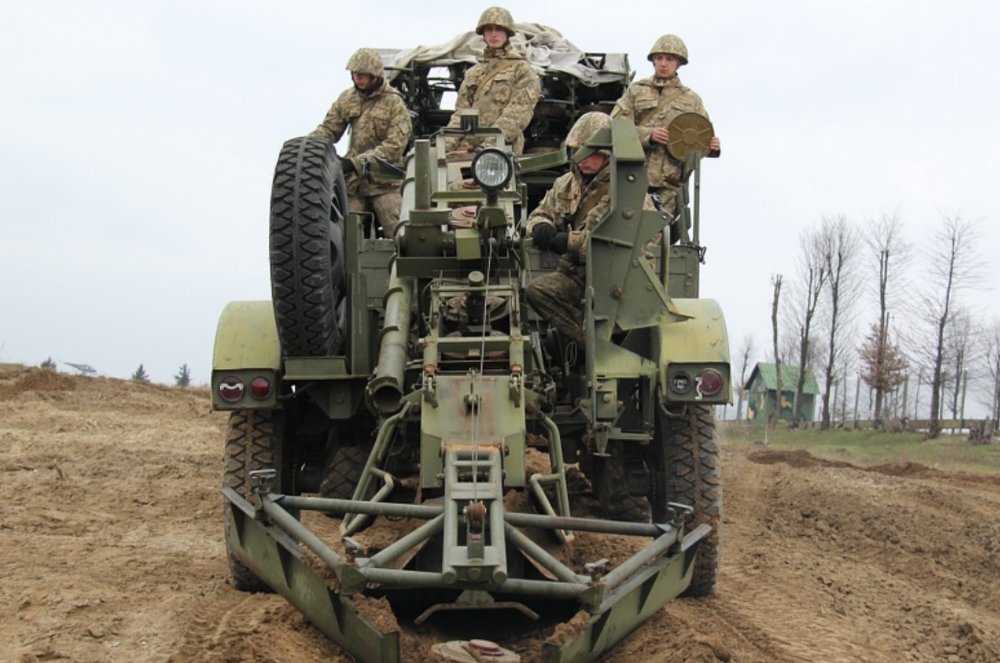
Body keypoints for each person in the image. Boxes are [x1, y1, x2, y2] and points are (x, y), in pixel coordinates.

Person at [523, 112, 616, 347]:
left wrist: (568, 242)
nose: (582, 159)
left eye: (591, 154)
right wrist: (540, 226)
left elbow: (616, 244)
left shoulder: (625, 190)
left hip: (615, 280)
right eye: (578, 152)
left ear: (607, 155)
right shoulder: (566, 183)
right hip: (577, 276)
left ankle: (596, 343)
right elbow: (540, 213)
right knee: (537, 291)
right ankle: (586, 340)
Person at [611, 34, 720, 221]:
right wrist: (648, 135)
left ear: (678, 63)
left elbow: (702, 135)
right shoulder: (636, 91)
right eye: (659, 58)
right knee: (628, 229)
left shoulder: (691, 99)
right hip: (633, 176)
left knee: (656, 235)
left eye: (669, 59)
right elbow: (616, 127)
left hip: (669, 183)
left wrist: (712, 147)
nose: (663, 63)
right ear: (653, 61)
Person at [310, 48, 412, 237]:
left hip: (385, 183)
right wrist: (309, 147)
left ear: (375, 75)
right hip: (354, 185)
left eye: (363, 75)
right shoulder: (348, 99)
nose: (359, 79)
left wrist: (356, 163)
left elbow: (395, 146)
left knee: (400, 233)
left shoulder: (394, 103)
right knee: (346, 236)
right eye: (355, 74)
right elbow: (329, 129)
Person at [444, 7, 540, 155]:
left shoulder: (522, 70)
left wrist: (487, 146)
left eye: (499, 29)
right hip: (467, 149)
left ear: (507, 33)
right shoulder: (473, 72)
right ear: (483, 34)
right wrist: (447, 145)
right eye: (489, 29)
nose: (493, 34)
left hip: (502, 150)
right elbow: (461, 115)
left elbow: (516, 115)